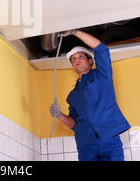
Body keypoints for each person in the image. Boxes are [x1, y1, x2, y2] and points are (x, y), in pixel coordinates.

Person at [49, 29, 130, 161]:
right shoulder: (72, 96)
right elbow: (73, 124)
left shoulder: (102, 76)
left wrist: (75, 32)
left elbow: (101, 49)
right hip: (85, 144)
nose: (76, 61)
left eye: (80, 57)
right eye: (73, 59)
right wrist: (59, 115)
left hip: (108, 138)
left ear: (91, 61)